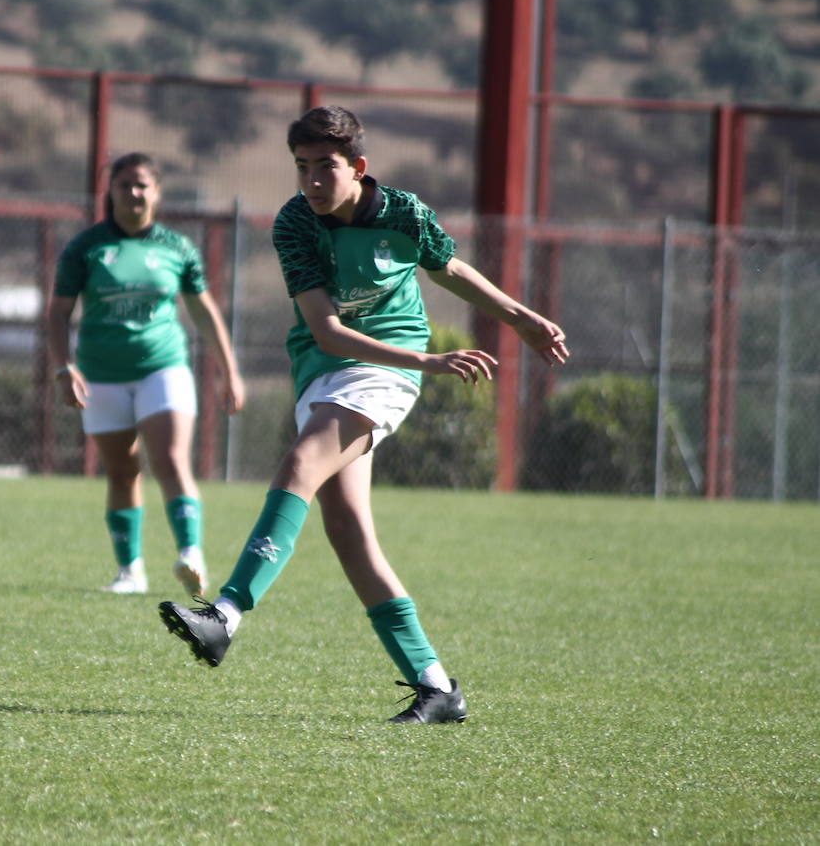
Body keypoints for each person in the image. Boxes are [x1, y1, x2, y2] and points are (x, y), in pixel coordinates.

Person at [158, 106, 569, 724]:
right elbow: (326, 330)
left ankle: (226, 613)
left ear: (359, 168)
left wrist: (520, 319)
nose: (313, 181)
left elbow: (448, 268)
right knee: (349, 532)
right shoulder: (295, 223)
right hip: (325, 365)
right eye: (302, 167)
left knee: (302, 461)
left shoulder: (404, 212)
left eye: (326, 166)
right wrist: (430, 363)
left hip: (389, 369)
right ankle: (437, 688)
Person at [48, 152, 246, 597]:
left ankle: (191, 554)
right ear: (110, 192)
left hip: (163, 367)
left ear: (157, 192)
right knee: (122, 471)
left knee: (171, 458)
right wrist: (64, 368)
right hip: (101, 374)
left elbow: (204, 312)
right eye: (124, 185)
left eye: (142, 185)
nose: (134, 193)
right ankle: (130, 572)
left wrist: (229, 372)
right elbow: (58, 313)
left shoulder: (176, 247)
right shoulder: (85, 248)